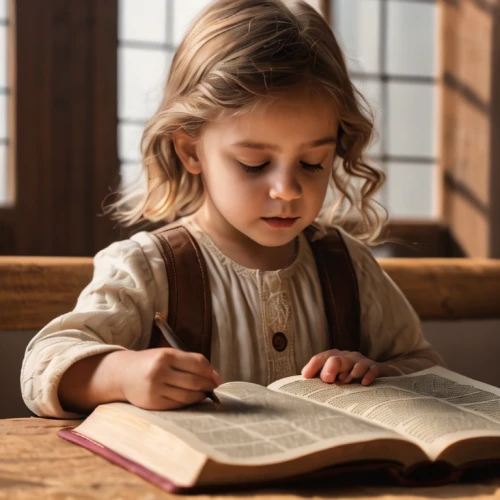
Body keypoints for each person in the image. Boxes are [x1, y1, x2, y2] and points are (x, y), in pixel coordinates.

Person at [21, 0, 445, 419]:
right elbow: (43, 365)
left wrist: (380, 373)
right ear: (190, 150)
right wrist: (122, 373)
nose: (287, 190)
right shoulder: (147, 268)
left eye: (313, 162)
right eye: (255, 164)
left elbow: (426, 367)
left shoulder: (350, 267)